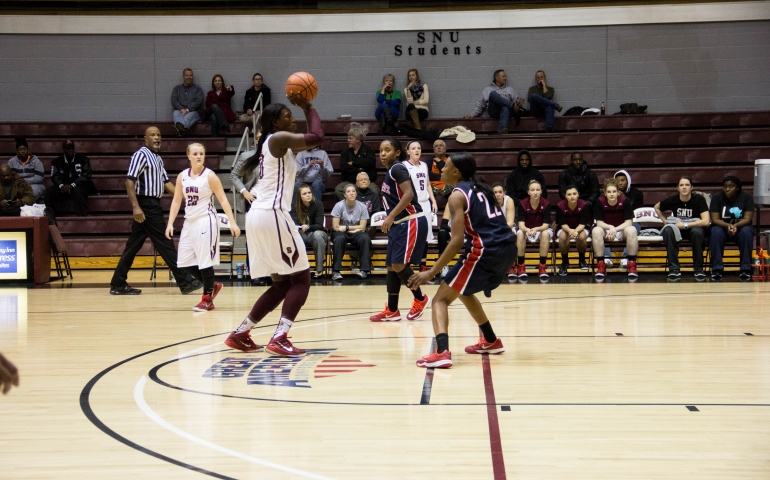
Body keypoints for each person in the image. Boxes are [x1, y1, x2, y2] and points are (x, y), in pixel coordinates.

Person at [223, 97, 325, 356]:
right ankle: (279, 338)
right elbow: (317, 137)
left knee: (281, 284)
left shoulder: (278, 145)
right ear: (275, 123)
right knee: (302, 278)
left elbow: (311, 140)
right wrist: (308, 107)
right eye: (287, 116)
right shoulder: (277, 139)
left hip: (258, 215)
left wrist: (304, 112)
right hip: (272, 214)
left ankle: (241, 332)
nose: (292, 119)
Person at [407, 153, 516, 369]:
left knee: (440, 300)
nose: (441, 170)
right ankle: (491, 340)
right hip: (508, 247)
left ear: (456, 171)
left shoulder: (457, 195)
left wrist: (431, 272)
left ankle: (441, 352)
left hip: (485, 250)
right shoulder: (481, 188)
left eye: (445, 166)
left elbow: (456, 241)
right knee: (463, 290)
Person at [109, 126, 202, 296]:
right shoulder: (141, 155)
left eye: (159, 135)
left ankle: (118, 283)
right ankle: (185, 281)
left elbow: (167, 183)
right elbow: (129, 181)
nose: (157, 137)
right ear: (145, 139)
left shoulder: (157, 158)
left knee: (133, 245)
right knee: (165, 242)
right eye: (152, 135)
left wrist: (187, 197)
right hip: (146, 204)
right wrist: (136, 207)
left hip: (153, 204)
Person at [165, 143, 240, 311]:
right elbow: (176, 201)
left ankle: (207, 299)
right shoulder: (182, 176)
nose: (199, 156)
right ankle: (212, 284)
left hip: (206, 220)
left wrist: (233, 222)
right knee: (183, 262)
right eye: (195, 153)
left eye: (201, 153)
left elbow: (223, 200)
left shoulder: (210, 176)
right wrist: (170, 223)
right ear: (189, 156)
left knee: (204, 261)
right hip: (189, 222)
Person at [369, 137, 430, 323]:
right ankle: (392, 310)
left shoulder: (398, 168)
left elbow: (409, 194)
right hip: (399, 223)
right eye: (381, 150)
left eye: (387, 150)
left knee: (398, 265)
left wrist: (390, 217)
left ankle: (420, 298)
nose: (382, 153)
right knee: (391, 265)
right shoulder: (391, 171)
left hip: (410, 220)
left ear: (397, 152)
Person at [654, 176, 710, 279]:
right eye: (681, 185)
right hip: (678, 229)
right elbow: (656, 207)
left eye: (687, 185)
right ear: (678, 188)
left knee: (697, 232)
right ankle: (674, 269)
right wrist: (665, 221)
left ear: (691, 187)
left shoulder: (699, 199)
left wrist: (685, 225)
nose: (684, 187)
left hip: (693, 227)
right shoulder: (673, 199)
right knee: (668, 230)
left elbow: (706, 221)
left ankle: (698, 269)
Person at [592, 178, 639, 279]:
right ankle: (601, 265)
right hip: (606, 230)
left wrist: (615, 229)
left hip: (621, 230)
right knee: (596, 231)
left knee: (632, 230)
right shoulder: (600, 201)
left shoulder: (625, 200)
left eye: (614, 191)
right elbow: (599, 223)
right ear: (605, 193)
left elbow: (629, 222)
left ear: (618, 192)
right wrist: (610, 227)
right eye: (609, 192)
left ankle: (631, 264)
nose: (612, 194)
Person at [710, 176, 754, 281]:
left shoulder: (746, 197)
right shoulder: (717, 198)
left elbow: (747, 218)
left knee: (747, 231)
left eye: (731, 187)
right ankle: (717, 269)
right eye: (725, 187)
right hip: (722, 228)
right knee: (715, 231)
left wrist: (735, 226)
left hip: (741, 227)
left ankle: (745, 269)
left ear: (737, 188)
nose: (727, 189)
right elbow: (715, 219)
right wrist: (728, 226)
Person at [403, 140, 438, 271]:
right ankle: (407, 265)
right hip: (412, 204)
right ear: (408, 151)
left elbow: (428, 184)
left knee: (425, 236)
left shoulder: (424, 165)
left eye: (419, 148)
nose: (417, 150)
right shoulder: (404, 166)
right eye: (413, 148)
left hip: (425, 203)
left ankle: (423, 265)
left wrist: (433, 201)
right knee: (412, 235)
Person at [44, 140, 98, 217]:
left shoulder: (83, 159)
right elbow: (54, 176)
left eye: (72, 148)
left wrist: (72, 185)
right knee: (49, 192)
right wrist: (61, 186)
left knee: (78, 191)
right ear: (63, 149)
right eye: (68, 148)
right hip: (65, 186)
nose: (70, 150)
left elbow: (86, 176)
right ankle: (50, 217)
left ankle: (81, 217)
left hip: (81, 185)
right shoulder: (57, 162)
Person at [330, 184, 372, 281]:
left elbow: (363, 226)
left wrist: (346, 227)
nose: (351, 193)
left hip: (354, 232)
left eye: (353, 191)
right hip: (341, 233)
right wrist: (354, 228)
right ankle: (336, 271)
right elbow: (335, 227)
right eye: (348, 191)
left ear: (356, 194)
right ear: (344, 195)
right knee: (339, 239)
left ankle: (364, 271)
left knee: (365, 238)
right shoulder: (339, 205)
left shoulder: (362, 206)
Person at [513, 180, 552, 280]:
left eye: (538, 190)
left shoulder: (546, 204)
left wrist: (536, 229)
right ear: (528, 192)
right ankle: (521, 266)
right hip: (526, 229)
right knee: (520, 234)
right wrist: (528, 230)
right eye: (533, 190)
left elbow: (546, 225)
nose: (535, 192)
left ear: (541, 191)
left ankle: (542, 266)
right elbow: (521, 225)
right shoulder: (522, 203)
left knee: (546, 233)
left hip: (540, 229)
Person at [605, 170, 644, 267]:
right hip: (613, 221)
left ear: (628, 181)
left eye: (623, 180)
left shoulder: (637, 193)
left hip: (630, 221)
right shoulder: (611, 194)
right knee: (599, 229)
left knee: (634, 228)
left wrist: (625, 199)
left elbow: (637, 212)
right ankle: (606, 257)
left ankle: (626, 258)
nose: (620, 183)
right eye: (618, 181)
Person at [465, 69, 524, 134]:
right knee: (493, 94)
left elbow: (517, 103)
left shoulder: (510, 89)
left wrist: (518, 104)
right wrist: (472, 115)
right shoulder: (488, 89)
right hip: (494, 111)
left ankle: (502, 130)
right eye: (503, 76)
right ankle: (511, 105)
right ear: (497, 78)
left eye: (505, 76)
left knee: (505, 107)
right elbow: (480, 105)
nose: (505, 78)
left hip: (506, 112)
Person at [291, 183, 328, 279]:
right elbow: (293, 224)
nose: (308, 195)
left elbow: (319, 225)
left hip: (315, 232)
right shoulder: (294, 206)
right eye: (304, 193)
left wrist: (308, 227)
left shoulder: (318, 204)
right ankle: (299, 270)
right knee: (294, 237)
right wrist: (300, 228)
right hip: (301, 233)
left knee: (318, 236)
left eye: (309, 192)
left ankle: (319, 270)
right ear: (299, 196)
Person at [555, 185, 591, 276]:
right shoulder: (560, 205)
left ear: (578, 194)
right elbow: (562, 224)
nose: (572, 196)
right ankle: (564, 262)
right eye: (569, 194)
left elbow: (583, 223)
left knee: (582, 236)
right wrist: (570, 231)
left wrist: (575, 231)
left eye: (574, 194)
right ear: (565, 196)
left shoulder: (584, 205)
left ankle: (582, 260)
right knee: (563, 236)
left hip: (581, 228)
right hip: (565, 228)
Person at [335, 127, 378, 198]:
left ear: (358, 139)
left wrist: (353, 163)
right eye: (348, 138)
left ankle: (367, 205)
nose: (348, 140)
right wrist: (359, 169)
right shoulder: (345, 153)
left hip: (366, 181)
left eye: (350, 138)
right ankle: (351, 204)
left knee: (374, 191)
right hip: (350, 182)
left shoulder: (369, 150)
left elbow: (370, 162)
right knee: (339, 190)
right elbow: (344, 167)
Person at [171, 68, 205, 137]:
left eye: (190, 75)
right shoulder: (177, 89)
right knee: (175, 113)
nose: (189, 77)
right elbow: (174, 100)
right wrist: (181, 109)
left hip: (194, 112)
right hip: (179, 111)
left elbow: (198, 101)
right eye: (187, 75)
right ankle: (181, 130)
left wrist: (187, 110)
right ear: (183, 76)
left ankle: (178, 131)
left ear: (193, 76)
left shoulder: (198, 89)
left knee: (188, 117)